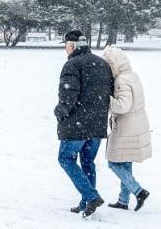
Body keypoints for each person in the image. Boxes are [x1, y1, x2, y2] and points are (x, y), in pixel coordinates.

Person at [54, 29, 114, 218]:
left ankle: (91, 196)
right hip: (96, 125)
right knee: (88, 162)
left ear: (71, 45)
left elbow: (68, 95)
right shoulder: (102, 64)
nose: (65, 49)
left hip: (77, 124)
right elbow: (109, 92)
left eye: (66, 45)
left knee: (65, 159)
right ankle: (85, 202)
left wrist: (59, 112)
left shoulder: (72, 64)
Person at [102, 46, 152, 211]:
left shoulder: (121, 80)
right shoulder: (132, 76)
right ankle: (123, 201)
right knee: (126, 163)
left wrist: (105, 98)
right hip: (137, 124)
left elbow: (122, 106)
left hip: (126, 128)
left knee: (114, 163)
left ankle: (139, 191)